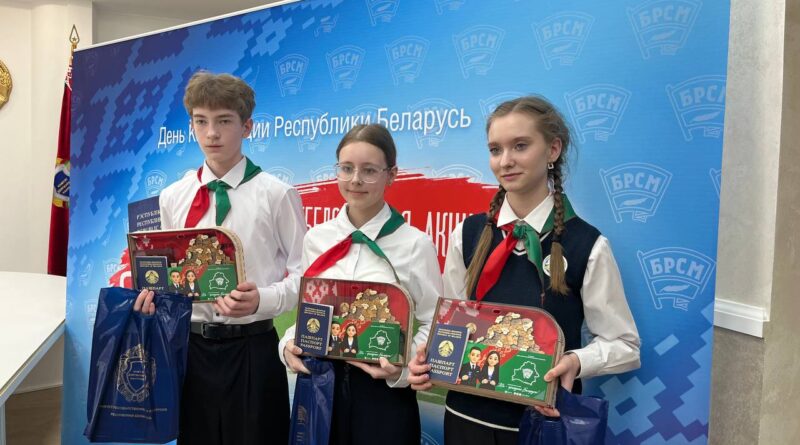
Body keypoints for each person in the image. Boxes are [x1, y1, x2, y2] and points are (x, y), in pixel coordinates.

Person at [407, 96, 640, 445]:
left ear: (553, 150)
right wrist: (426, 361)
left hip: (542, 426)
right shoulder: (467, 234)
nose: (505, 161)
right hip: (465, 420)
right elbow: (450, 324)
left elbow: (624, 345)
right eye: (495, 149)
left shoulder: (587, 244)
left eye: (520, 146)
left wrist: (576, 361)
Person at [133, 71, 306, 445]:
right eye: (201, 121)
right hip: (190, 350)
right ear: (191, 125)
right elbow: (165, 276)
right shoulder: (173, 197)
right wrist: (151, 299)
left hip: (253, 349)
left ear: (247, 127)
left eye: (224, 121)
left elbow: (306, 278)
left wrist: (262, 299)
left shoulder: (276, 194)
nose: (211, 133)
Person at [280, 123, 442, 445]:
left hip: (383, 398)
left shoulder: (414, 244)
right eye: (346, 168)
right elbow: (310, 311)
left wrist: (402, 367)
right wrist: (287, 345)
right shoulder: (317, 238)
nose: (355, 180)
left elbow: (434, 323)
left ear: (391, 175)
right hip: (320, 387)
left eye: (369, 170)